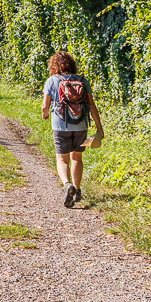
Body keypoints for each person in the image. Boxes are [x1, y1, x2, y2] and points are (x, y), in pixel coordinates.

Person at [40, 50, 103, 208]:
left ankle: (67, 185)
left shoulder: (52, 80)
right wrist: (99, 127)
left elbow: (44, 106)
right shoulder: (82, 80)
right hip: (81, 125)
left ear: (54, 65)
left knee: (62, 159)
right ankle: (77, 190)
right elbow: (92, 105)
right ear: (72, 64)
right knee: (77, 158)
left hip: (60, 126)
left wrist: (45, 114)